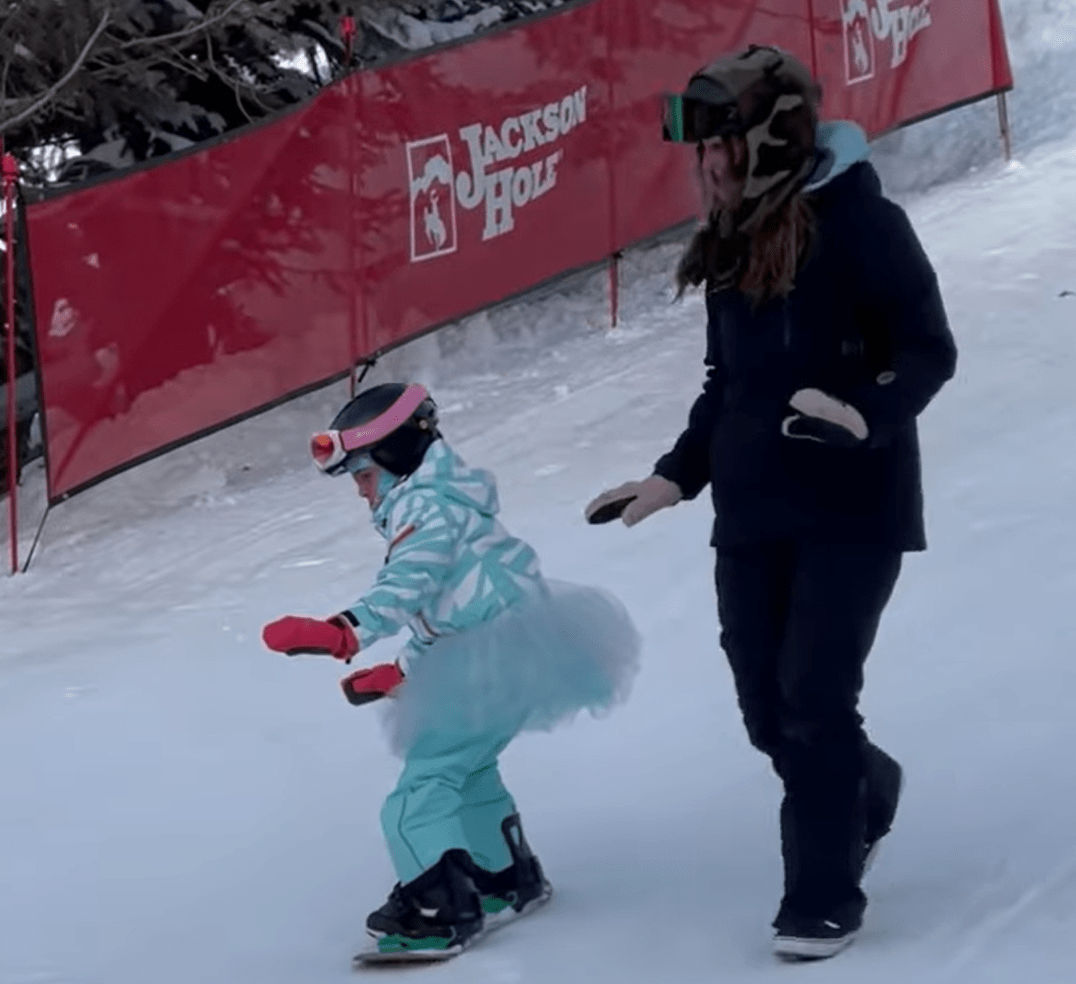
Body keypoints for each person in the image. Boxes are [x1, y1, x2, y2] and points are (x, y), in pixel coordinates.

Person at [585, 45, 956, 960]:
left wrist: (863, 415)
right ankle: (862, 792)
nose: (705, 169)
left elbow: (928, 349)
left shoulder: (867, 228)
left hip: (852, 505)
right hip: (751, 515)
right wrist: (675, 474)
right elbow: (728, 385)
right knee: (766, 713)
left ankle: (823, 892)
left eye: (721, 149)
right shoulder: (732, 243)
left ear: (769, 140)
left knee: (814, 697)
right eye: (701, 153)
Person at [263, 382, 640, 959]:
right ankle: (505, 877)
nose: (363, 495)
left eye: (363, 477)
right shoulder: (445, 500)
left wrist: (344, 629)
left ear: (393, 458)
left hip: (493, 660)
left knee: (421, 792)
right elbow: (453, 607)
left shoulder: (424, 507)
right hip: (513, 650)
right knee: (470, 772)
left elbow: (408, 583)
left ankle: (438, 909)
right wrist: (405, 670)